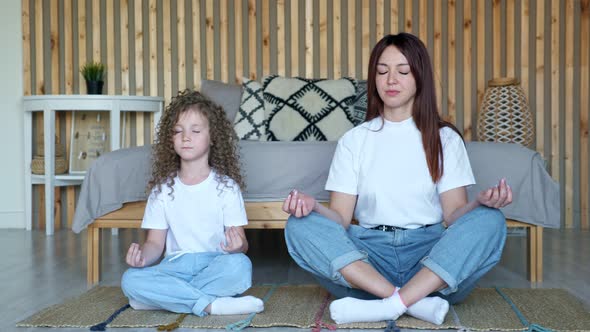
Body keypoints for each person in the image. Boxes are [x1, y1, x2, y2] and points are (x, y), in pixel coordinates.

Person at [282, 33, 512, 325]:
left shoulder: (445, 139)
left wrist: (480, 202)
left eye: (402, 71)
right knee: (299, 224)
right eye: (382, 71)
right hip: (368, 261)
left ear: (419, 77)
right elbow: (341, 218)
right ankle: (407, 302)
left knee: (490, 219)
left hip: (429, 258)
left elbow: (454, 216)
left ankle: (390, 304)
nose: (391, 79)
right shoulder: (354, 140)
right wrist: (312, 206)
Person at [121, 90, 264, 317]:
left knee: (240, 266)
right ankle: (212, 305)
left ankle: (162, 300)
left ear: (213, 137)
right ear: (171, 139)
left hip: (215, 263)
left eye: (195, 130)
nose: (186, 137)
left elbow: (241, 245)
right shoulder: (162, 190)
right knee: (130, 279)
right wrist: (142, 258)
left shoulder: (227, 188)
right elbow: (155, 245)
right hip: (174, 268)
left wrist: (238, 247)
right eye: (178, 131)